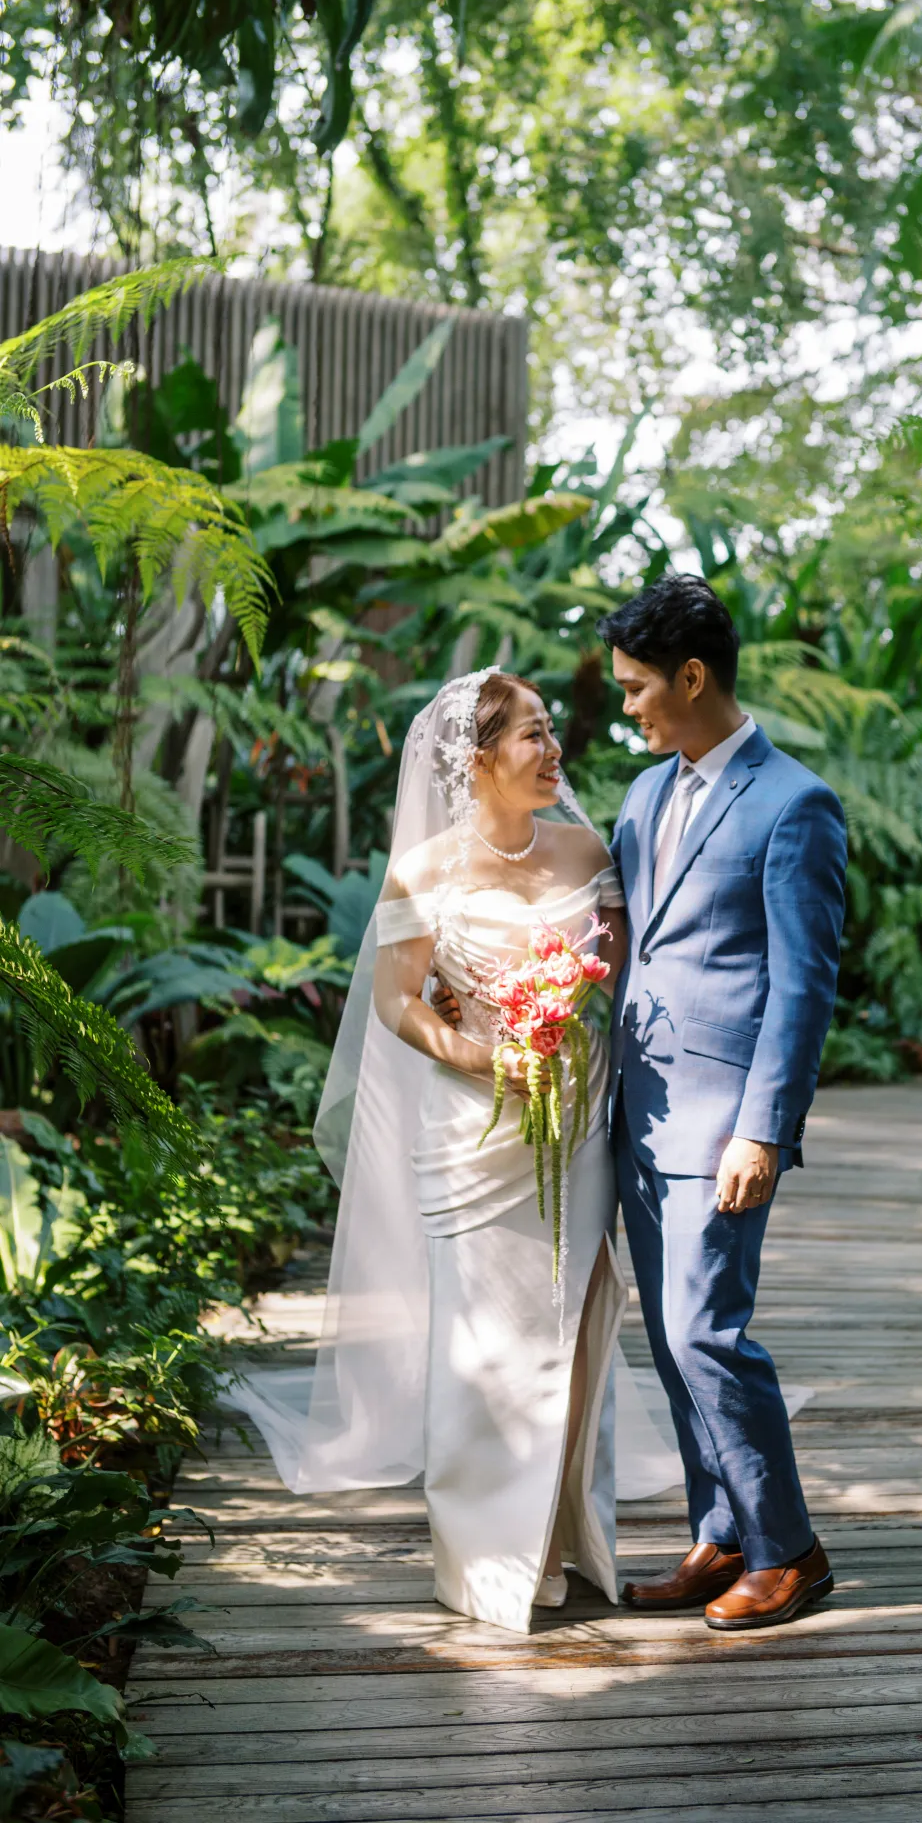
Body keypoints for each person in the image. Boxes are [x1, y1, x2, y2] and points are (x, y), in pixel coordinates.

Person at [230, 668, 677, 1635]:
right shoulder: (418, 872)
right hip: (469, 1128)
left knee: (573, 1324)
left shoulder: (587, 851)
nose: (555, 750)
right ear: (476, 761)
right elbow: (395, 1001)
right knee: (480, 1340)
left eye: (553, 732)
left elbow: (624, 978)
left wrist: (570, 1035)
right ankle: (484, 1559)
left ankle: (564, 1546)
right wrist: (477, 1053)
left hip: (577, 1123)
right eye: (533, 736)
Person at [597, 573, 847, 1631]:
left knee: (707, 1331)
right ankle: (721, 1530)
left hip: (722, 1124)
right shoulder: (644, 793)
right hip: (638, 1116)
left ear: (691, 676)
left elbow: (803, 982)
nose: (624, 706)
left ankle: (789, 1548)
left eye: (635, 686)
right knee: (667, 1332)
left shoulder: (796, 803)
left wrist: (764, 1125)